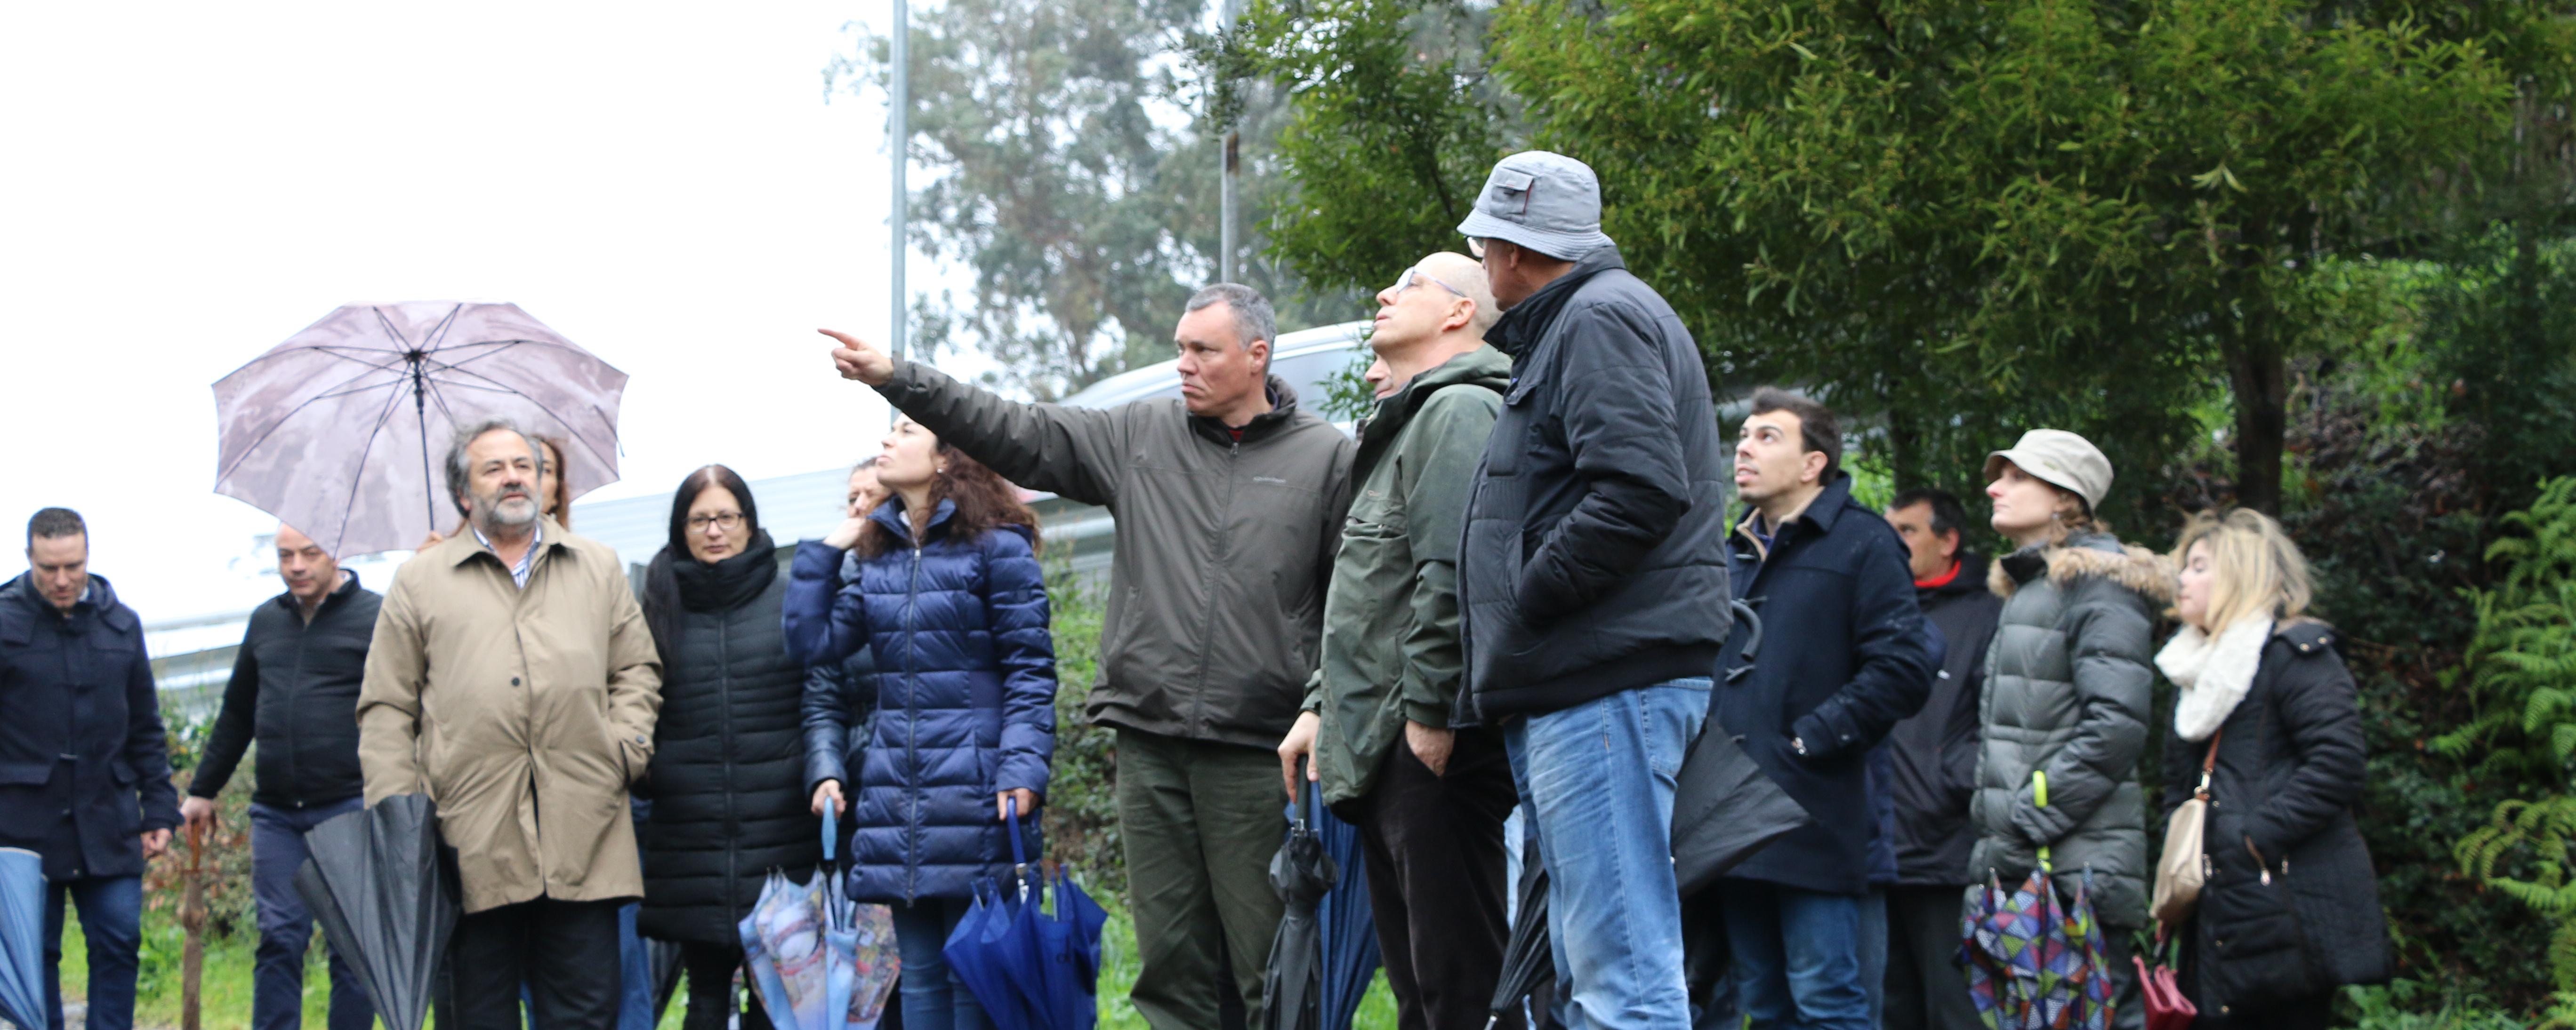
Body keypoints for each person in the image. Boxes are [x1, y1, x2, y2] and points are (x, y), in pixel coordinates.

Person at [820, 283, 1353, 1029]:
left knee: (1271, 969)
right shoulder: (1140, 434)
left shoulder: (1326, 457)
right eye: (1179, 348)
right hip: (1150, 740)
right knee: (1172, 975)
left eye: (1203, 350)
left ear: (1257, 356)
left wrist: (1320, 701)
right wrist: (899, 378)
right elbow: (1014, 429)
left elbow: (1352, 601)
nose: (1183, 365)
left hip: (1257, 751)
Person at [1450, 151, 1733, 1028]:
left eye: (1483, 242)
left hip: (1605, 677)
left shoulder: (1599, 318)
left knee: (1621, 970)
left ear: (1510, 249)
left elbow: (1640, 488)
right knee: (1593, 960)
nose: (1480, 259)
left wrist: (1533, 596)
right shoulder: (1588, 315)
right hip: (1589, 676)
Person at [1275, 252, 1515, 1030]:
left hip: (1428, 744)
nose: (1384, 292)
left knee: (1461, 988)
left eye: (1409, 283)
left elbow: (1452, 572)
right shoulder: (1415, 418)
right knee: (1421, 986)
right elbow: (1374, 593)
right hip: (1391, 741)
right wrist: (1319, 705)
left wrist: (1431, 714)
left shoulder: (1459, 412)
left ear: (1458, 313)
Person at [359, 418, 664, 1030]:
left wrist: (623, 750)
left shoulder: (596, 565)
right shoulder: (420, 581)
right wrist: (402, 813)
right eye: (494, 468)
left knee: (585, 1016)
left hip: (585, 830)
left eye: (524, 464)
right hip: (468, 842)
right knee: (477, 1017)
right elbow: (387, 707)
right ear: (464, 493)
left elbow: (637, 669)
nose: (514, 477)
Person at [787, 417, 1058, 1030]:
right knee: (921, 987)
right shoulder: (879, 555)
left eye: (905, 432)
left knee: (975, 985)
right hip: (899, 800)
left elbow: (1031, 670)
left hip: (978, 792)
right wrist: (830, 549)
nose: (886, 441)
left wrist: (1021, 767)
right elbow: (811, 643)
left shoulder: (997, 544)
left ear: (945, 459)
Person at [1713, 390, 1934, 1030]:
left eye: (1767, 437)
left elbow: (1903, 668)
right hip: (1732, 820)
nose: (1744, 448)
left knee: (1827, 1001)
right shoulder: (1732, 551)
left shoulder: (1864, 542)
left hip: (1818, 816)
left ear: (1814, 464)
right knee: (1764, 1000)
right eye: (1744, 435)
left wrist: (1809, 741)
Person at [2157, 509, 2389, 1028]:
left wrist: (2250, 837)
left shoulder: (2297, 654)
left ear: (2240, 574)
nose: (2182, 579)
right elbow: (2178, 785)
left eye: (2198, 566)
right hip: (2215, 911)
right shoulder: (2191, 670)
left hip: (2283, 908)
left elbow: (2339, 763)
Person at [1970, 429, 2163, 1029]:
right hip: (2032, 868)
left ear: (2064, 497)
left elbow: (2118, 724)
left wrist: (2029, 816)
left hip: (2073, 872)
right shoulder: (2034, 586)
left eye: (2017, 475)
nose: (1994, 486)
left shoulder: (2097, 584)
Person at [636, 466, 817, 1030]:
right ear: (680, 528)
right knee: (707, 996)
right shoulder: (655, 607)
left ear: (749, 522)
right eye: (700, 519)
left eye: (726, 517)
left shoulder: (791, 600)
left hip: (781, 832)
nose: (714, 530)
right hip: (690, 835)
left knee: (778, 998)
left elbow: (823, 703)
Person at [180, 524, 380, 1030]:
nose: (296, 565)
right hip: (276, 814)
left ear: (337, 551)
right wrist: (203, 790)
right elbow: (236, 714)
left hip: (349, 805)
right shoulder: (266, 621)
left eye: (309, 553)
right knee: (279, 938)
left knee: (354, 946)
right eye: (286, 554)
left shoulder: (376, 617)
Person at [0, 508, 178, 1030]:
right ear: (29, 557)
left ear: (88, 557)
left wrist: (160, 809)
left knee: (120, 941)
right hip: (21, 826)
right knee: (36, 956)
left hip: (109, 819)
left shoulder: (122, 625)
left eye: (72, 566)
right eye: (49, 567)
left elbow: (146, 726)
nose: (61, 579)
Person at [1878, 488, 2003, 1030]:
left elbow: (2002, 721)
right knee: (1890, 1009)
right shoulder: (1878, 609)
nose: (1895, 542)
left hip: (1945, 847)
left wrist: (1950, 776)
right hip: (1877, 847)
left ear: (1948, 541)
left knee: (1954, 1009)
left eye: (1908, 531)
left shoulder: (1987, 614)